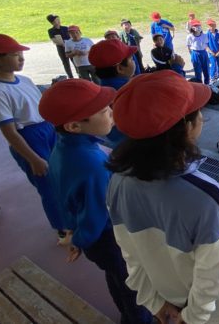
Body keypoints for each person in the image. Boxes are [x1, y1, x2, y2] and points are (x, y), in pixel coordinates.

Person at [106, 70, 219, 324]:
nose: (202, 116)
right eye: (197, 111)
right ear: (186, 128)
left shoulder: (118, 183)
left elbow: (130, 253)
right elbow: (212, 276)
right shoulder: (205, 197)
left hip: (173, 297)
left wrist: (153, 301)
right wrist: (192, 318)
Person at [38, 80, 152, 324]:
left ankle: (128, 316)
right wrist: (77, 240)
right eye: (102, 111)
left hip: (93, 240)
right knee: (132, 286)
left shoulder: (62, 149)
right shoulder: (92, 164)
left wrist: (72, 230)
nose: (110, 112)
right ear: (74, 126)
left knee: (116, 278)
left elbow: (64, 196)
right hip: (108, 238)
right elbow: (96, 215)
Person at [0, 34, 64, 236]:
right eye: (14, 54)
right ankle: (63, 228)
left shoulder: (25, 80)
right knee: (48, 186)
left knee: (63, 176)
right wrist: (33, 159)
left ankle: (72, 215)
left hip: (47, 128)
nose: (21, 58)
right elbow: (9, 131)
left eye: (20, 53)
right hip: (29, 138)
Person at [46, 14, 74, 78]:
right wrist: (61, 43)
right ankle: (70, 76)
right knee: (65, 62)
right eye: (56, 20)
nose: (58, 21)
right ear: (52, 23)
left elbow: (70, 37)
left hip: (69, 46)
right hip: (60, 47)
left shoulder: (65, 28)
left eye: (58, 19)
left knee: (74, 60)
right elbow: (54, 39)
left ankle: (79, 74)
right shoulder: (51, 31)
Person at [186, 20, 210, 84]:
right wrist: (192, 55)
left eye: (199, 26)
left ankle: (207, 84)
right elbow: (188, 46)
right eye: (196, 26)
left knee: (206, 69)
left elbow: (206, 45)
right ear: (192, 28)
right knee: (197, 70)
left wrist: (209, 52)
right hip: (195, 53)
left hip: (203, 53)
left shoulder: (204, 35)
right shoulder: (190, 36)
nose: (198, 27)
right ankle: (199, 85)